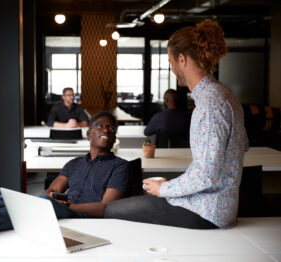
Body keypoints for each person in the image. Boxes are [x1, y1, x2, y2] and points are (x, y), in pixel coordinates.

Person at [105, 19, 249, 229]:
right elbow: (240, 146)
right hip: (219, 206)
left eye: (171, 61)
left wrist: (164, 189)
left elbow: (206, 174)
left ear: (181, 59)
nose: (171, 68)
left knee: (112, 210)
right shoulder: (225, 95)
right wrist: (172, 184)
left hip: (204, 211)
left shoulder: (210, 105)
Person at [0, 111, 129, 239]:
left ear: (114, 137)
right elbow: (53, 189)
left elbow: (105, 208)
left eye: (111, 128)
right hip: (62, 211)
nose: (106, 130)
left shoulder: (120, 166)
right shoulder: (74, 163)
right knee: (23, 199)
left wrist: (64, 205)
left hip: (85, 218)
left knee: (43, 203)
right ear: (88, 133)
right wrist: (45, 200)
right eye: (101, 126)